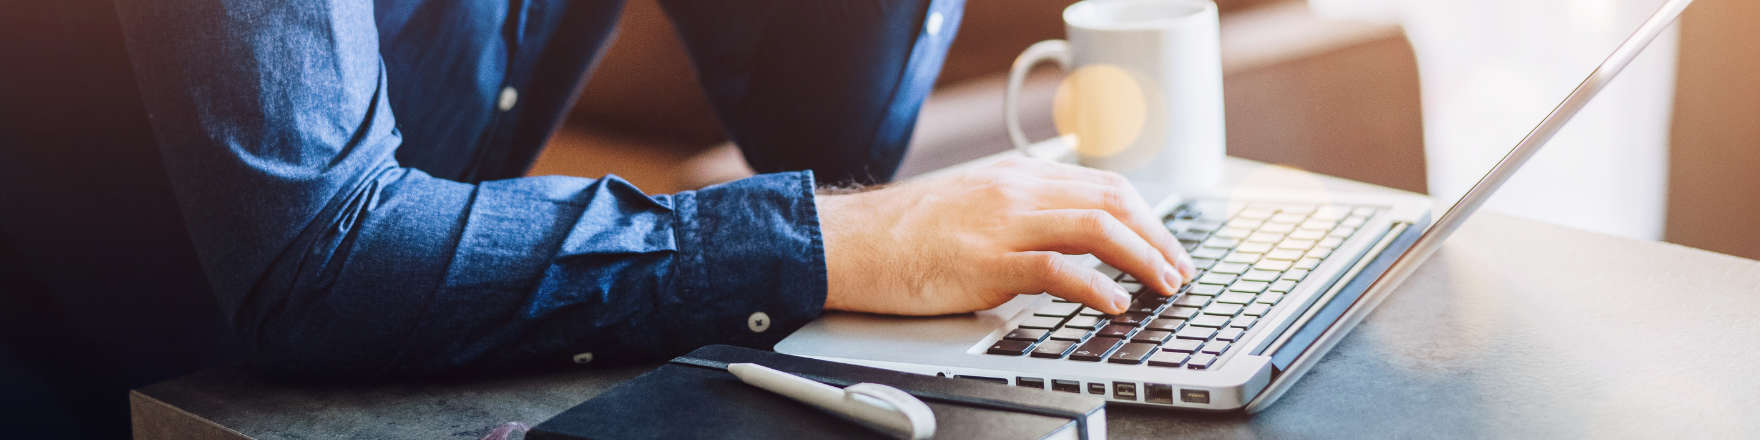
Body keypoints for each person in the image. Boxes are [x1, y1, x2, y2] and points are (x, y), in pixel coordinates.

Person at [0, 0, 1192, 436]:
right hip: (91, 387)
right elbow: (322, 251)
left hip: (377, 391)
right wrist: (841, 240)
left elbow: (825, 136)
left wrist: (844, 218)